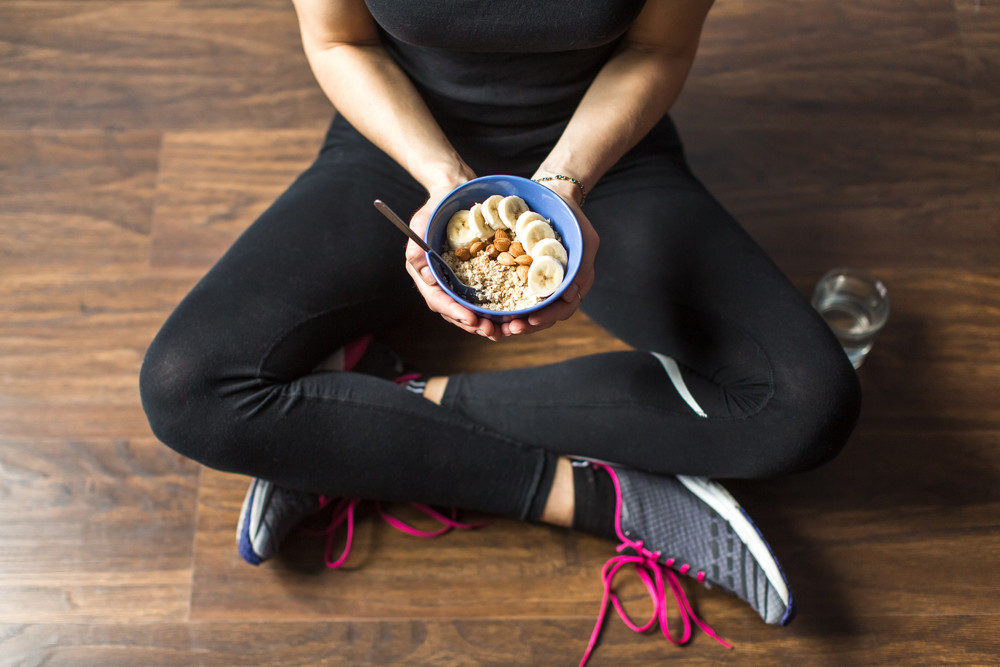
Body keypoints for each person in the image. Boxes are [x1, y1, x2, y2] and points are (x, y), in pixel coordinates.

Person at [138, 0, 861, 658]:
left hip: (601, 156)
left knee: (808, 406)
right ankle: (606, 500)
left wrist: (567, 184)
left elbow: (658, 50)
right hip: (402, 147)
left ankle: (364, 411)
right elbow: (338, 42)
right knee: (186, 389)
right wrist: (444, 178)